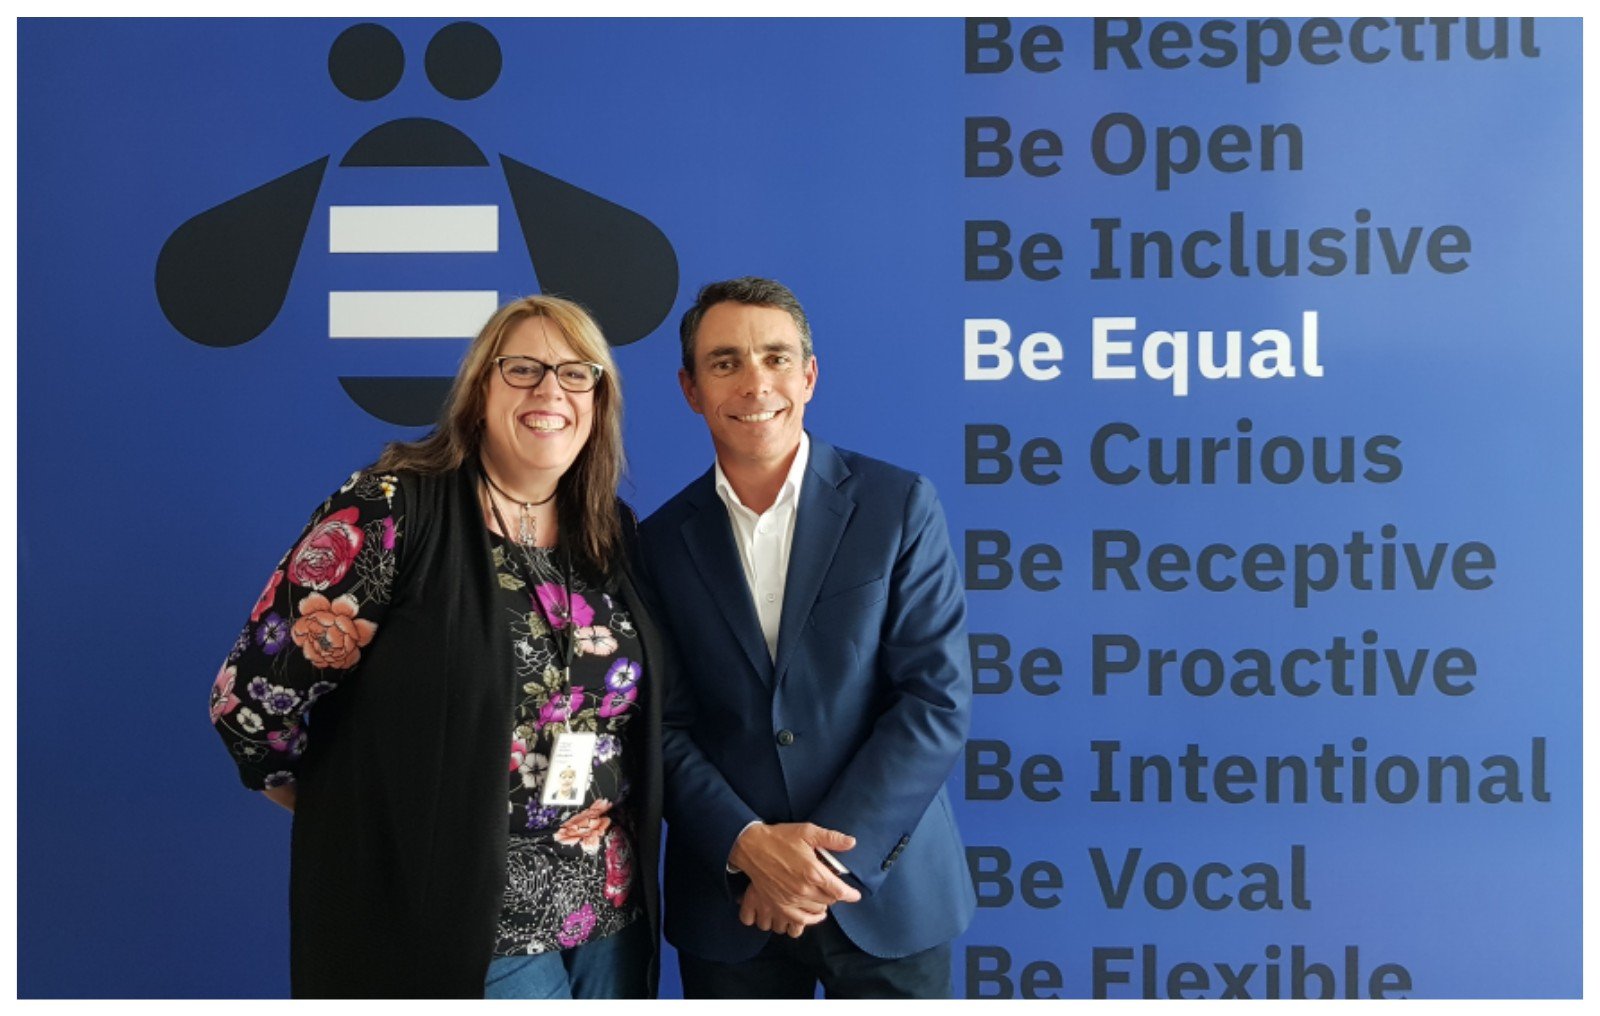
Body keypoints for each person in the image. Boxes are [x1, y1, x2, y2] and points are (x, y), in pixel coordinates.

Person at [208, 295, 664, 999]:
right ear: (480, 389)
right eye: (524, 368)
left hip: (606, 909)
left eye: (578, 374)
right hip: (458, 913)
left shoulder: (610, 530)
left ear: (600, 402)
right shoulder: (391, 508)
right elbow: (250, 701)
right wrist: (356, 814)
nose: (551, 390)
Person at [639, 277, 976, 998]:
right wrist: (750, 847)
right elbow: (660, 725)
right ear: (691, 388)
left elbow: (933, 700)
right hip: (732, 904)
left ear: (810, 375)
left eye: (776, 357)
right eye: (725, 362)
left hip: (887, 896)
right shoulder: (656, 544)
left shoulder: (898, 506)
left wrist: (817, 868)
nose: (755, 382)